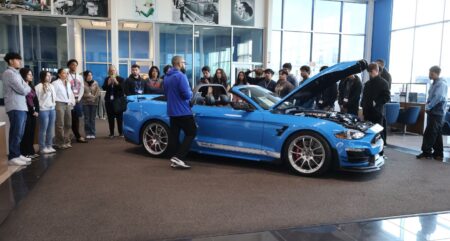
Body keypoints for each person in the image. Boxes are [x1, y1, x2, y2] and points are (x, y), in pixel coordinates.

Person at [163, 56, 196, 169]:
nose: (184, 64)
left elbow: (166, 94)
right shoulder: (181, 76)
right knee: (191, 132)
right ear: (178, 63)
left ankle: (175, 159)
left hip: (172, 111)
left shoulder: (166, 77)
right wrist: (192, 94)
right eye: (183, 62)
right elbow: (186, 95)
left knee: (175, 137)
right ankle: (179, 157)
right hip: (183, 111)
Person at [2, 52, 32, 166]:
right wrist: (26, 87)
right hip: (15, 106)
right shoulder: (9, 73)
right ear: (10, 61)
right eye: (17, 60)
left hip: (21, 106)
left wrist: (26, 86)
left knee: (20, 132)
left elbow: (25, 87)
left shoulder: (17, 74)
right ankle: (13, 156)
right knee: (16, 132)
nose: (20, 62)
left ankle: (17, 154)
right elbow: (23, 90)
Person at [417, 66, 448, 160]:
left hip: (437, 112)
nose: (429, 75)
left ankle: (426, 152)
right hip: (434, 112)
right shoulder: (434, 83)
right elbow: (431, 97)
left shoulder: (441, 84)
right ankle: (438, 153)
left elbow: (437, 98)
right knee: (436, 133)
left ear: (436, 73)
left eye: (431, 73)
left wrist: (428, 107)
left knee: (429, 133)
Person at [361, 63, 390, 152]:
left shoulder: (384, 83)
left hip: (377, 112)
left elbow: (387, 97)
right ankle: (369, 151)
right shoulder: (367, 84)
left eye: (370, 72)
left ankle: (380, 152)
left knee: (378, 133)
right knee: (367, 132)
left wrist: (376, 103)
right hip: (367, 111)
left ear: (375, 71)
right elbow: (364, 97)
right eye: (369, 72)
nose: (369, 74)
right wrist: (362, 106)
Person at [52, 68, 76, 149]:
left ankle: (67, 141)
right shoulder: (55, 83)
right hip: (59, 103)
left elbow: (70, 94)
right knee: (60, 124)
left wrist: (72, 102)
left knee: (68, 123)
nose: (66, 74)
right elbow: (53, 95)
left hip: (68, 104)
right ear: (59, 74)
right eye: (64, 73)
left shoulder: (68, 83)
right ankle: (60, 142)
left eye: (66, 73)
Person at [19, 68, 39, 159]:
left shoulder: (31, 86)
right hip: (27, 112)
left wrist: (37, 111)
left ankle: (31, 151)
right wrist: (32, 111)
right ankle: (24, 152)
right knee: (26, 133)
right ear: (24, 75)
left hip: (33, 113)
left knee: (31, 132)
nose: (31, 76)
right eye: (29, 74)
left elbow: (35, 100)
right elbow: (25, 100)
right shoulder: (22, 87)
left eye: (31, 74)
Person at [35, 71, 57, 154]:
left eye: (50, 75)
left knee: (50, 129)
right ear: (43, 76)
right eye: (47, 75)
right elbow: (36, 100)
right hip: (43, 110)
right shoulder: (38, 87)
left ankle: (49, 145)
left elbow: (54, 97)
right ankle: (42, 147)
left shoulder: (52, 86)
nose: (49, 77)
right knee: (43, 130)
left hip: (52, 109)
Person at [66, 59, 87, 143]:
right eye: (72, 65)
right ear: (69, 66)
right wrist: (72, 99)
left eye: (75, 65)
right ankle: (75, 135)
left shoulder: (79, 77)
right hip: (70, 100)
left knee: (77, 118)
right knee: (70, 118)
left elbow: (82, 88)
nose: (74, 66)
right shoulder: (67, 75)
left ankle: (77, 135)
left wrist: (78, 98)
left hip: (78, 100)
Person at [103, 65, 125, 138]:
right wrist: (108, 84)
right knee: (110, 118)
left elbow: (122, 89)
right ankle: (111, 133)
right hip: (109, 101)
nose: (112, 71)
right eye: (111, 70)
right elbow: (103, 87)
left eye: (113, 70)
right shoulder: (107, 79)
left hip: (118, 101)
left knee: (119, 118)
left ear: (116, 71)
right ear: (109, 72)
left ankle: (121, 133)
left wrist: (116, 82)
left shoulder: (120, 79)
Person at [81, 70, 100, 139]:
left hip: (94, 103)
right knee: (87, 118)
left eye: (91, 75)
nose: (90, 76)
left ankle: (92, 133)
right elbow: (81, 93)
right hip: (85, 103)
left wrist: (94, 97)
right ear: (85, 76)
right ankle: (87, 133)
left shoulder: (95, 83)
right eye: (88, 75)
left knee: (92, 119)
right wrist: (88, 96)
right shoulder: (82, 83)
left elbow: (98, 92)